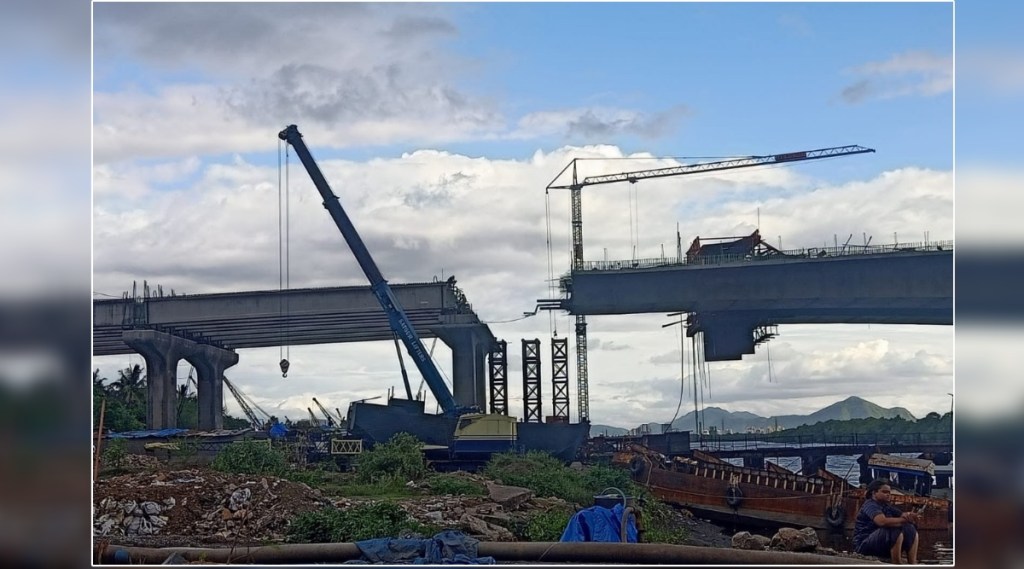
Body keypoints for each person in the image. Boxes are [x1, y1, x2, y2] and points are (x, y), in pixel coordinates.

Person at [853, 479, 921, 564]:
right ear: (874, 493)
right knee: (893, 529)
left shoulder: (886, 506)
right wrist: (904, 520)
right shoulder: (870, 505)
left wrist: (909, 516)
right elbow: (881, 521)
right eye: (884, 492)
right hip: (864, 545)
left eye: (889, 493)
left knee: (910, 528)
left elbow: (901, 514)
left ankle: (912, 563)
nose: (888, 495)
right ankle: (897, 563)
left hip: (880, 544)